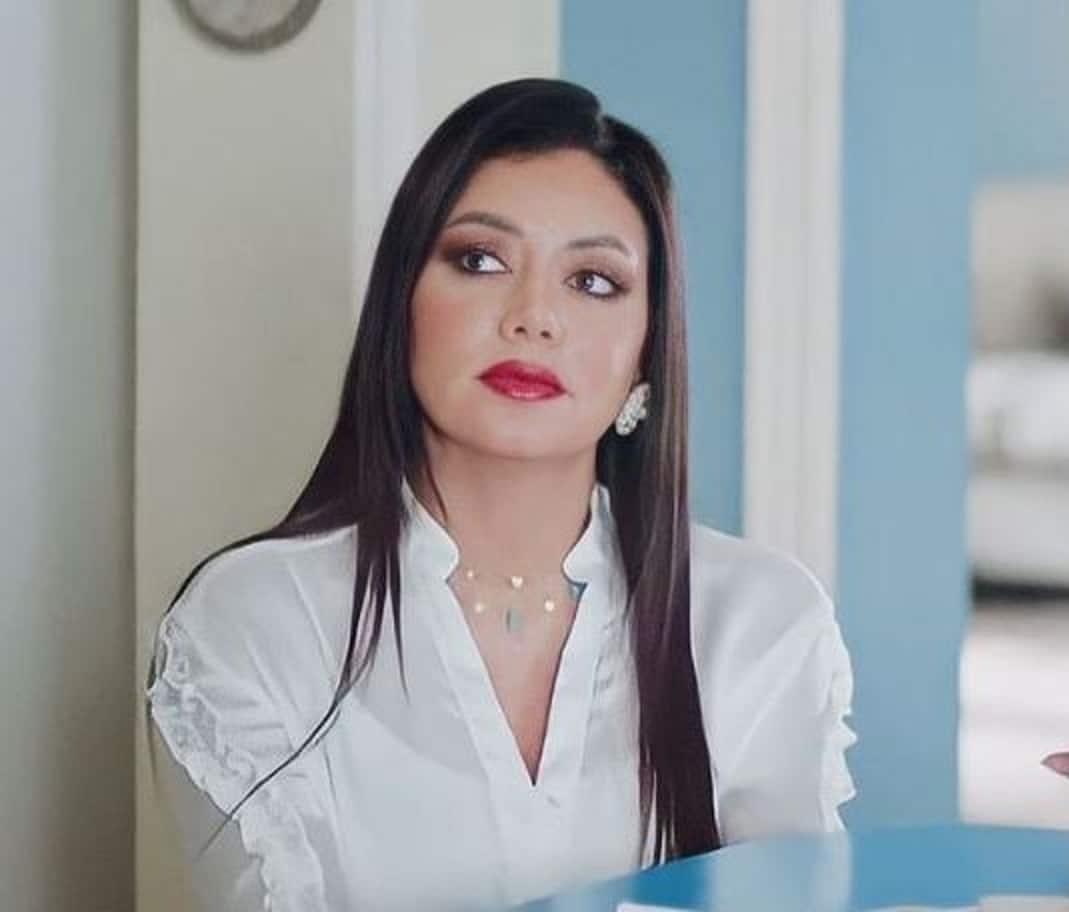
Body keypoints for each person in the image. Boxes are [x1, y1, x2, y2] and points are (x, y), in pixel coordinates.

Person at [144, 77, 856, 912]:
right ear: (402, 305)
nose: (532, 317)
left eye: (592, 280)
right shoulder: (257, 620)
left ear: (646, 351)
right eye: (480, 261)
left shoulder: (759, 621)